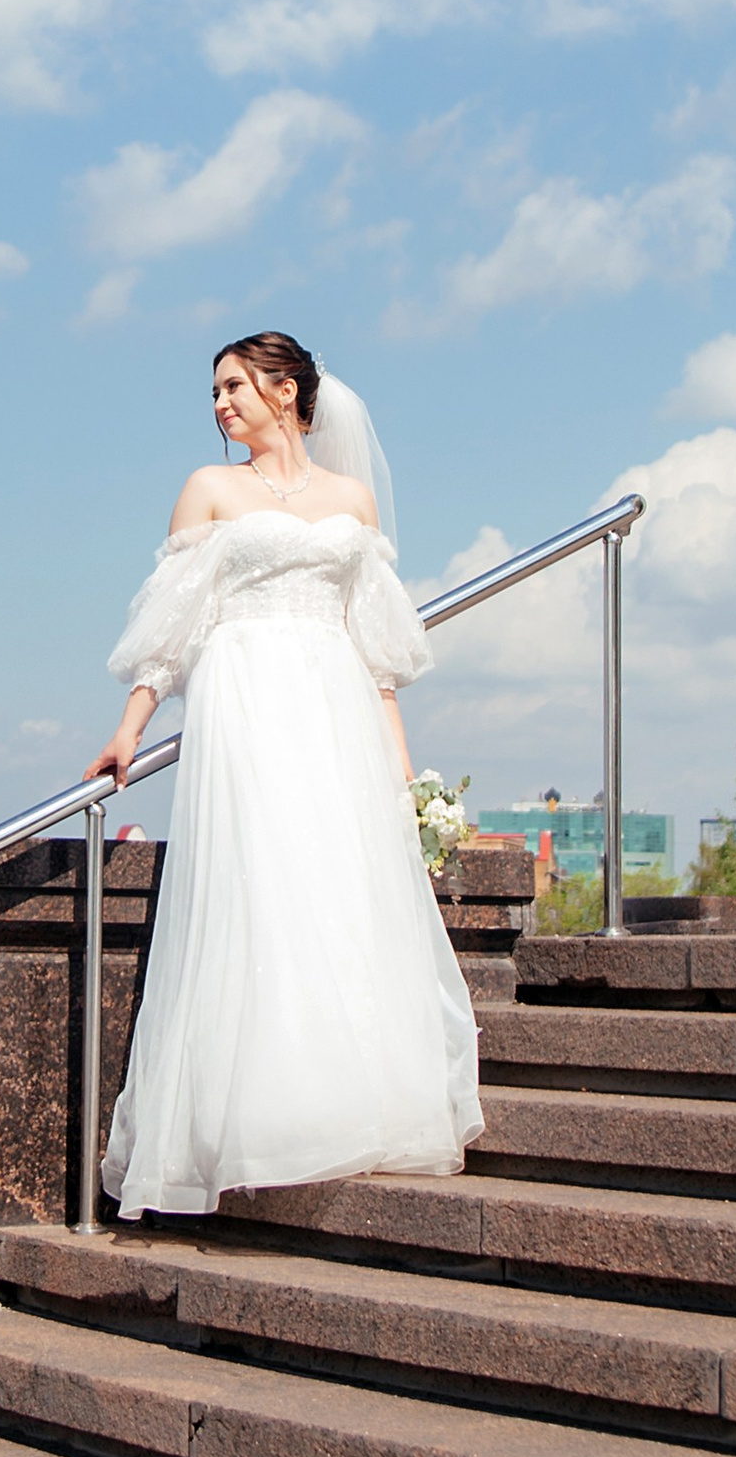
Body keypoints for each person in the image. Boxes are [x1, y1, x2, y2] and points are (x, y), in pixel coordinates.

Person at [83, 331, 482, 1217]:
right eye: (215, 390)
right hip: (245, 698)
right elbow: (172, 624)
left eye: (234, 386)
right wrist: (130, 726)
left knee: (336, 891)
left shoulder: (352, 498)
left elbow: (376, 659)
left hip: (334, 703)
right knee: (259, 891)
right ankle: (256, 1120)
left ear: (287, 390)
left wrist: (405, 782)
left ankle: (347, 1105)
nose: (220, 404)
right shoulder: (210, 489)